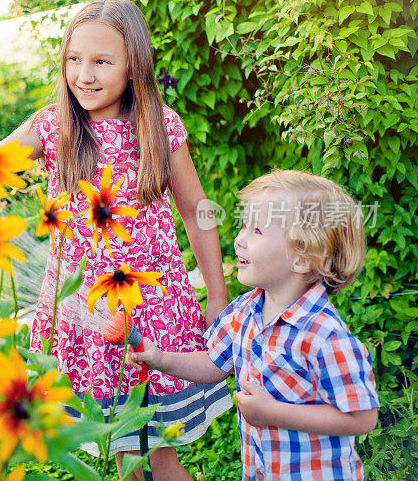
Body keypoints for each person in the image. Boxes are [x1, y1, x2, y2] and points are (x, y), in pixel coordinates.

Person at [0, 0, 232, 480]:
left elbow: (197, 213)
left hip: (155, 309)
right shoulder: (54, 126)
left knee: (161, 455)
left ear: (134, 65)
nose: (84, 75)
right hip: (84, 315)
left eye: (101, 61)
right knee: (123, 450)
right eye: (74, 59)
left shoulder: (159, 124)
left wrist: (217, 296)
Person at [129, 170, 380, 480]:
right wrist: (161, 359)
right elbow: (213, 363)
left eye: (256, 231)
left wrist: (273, 413)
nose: (239, 240)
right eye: (243, 226)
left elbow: (362, 417)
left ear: (302, 258)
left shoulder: (325, 336)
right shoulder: (246, 310)